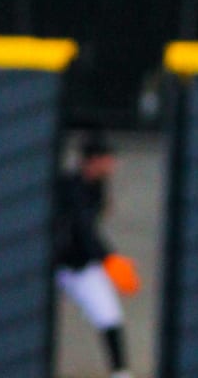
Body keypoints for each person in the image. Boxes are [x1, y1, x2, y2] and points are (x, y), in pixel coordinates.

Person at [54, 134, 136, 378]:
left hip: (81, 266)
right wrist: (109, 259)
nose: (113, 164)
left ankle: (121, 374)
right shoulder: (69, 185)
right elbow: (81, 229)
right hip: (55, 263)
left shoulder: (97, 187)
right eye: (108, 159)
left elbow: (89, 231)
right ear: (94, 160)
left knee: (109, 315)